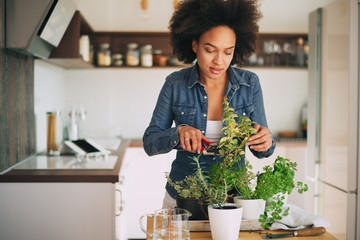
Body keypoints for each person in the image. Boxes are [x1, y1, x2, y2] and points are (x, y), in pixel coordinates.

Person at [143, 0, 276, 208]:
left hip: (232, 199)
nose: (219, 61)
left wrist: (266, 141)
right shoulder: (174, 84)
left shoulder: (249, 84)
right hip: (183, 198)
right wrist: (178, 132)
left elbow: (262, 150)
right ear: (194, 45)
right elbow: (150, 143)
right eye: (210, 50)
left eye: (227, 52)